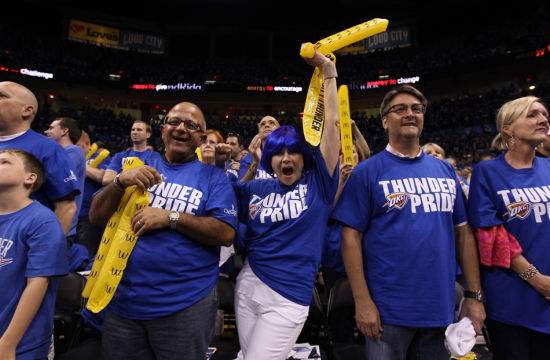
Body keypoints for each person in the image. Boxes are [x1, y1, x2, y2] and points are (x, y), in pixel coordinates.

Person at [332, 85, 485, 360]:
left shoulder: (444, 170)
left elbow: (463, 233)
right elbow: (350, 237)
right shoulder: (367, 172)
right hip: (386, 310)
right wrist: (362, 301)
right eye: (400, 109)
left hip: (439, 307)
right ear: (384, 120)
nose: (410, 114)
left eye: (417, 109)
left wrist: (473, 296)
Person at [89, 101, 238, 360]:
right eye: (174, 122)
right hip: (123, 302)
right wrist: (119, 182)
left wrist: (171, 217)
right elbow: (95, 216)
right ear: (162, 129)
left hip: (184, 305)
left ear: (201, 137)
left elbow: (225, 233)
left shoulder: (214, 177)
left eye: (191, 125)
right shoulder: (133, 162)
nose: (181, 129)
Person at [233, 48, 340, 360]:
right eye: (278, 153)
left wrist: (328, 75)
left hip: (288, 296)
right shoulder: (256, 187)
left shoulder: (318, 184)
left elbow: (331, 125)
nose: (286, 158)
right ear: (271, 159)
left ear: (303, 158)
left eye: (293, 152)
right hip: (248, 286)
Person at [468, 96, 550, 359]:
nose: (543, 119)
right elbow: (491, 235)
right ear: (508, 129)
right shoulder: (487, 172)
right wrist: (537, 280)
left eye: (544, 114)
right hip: (512, 299)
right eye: (532, 114)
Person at [0, 149, 68, 359]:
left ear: (30, 178)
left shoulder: (42, 221)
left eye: (4, 162)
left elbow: (37, 284)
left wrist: (7, 343)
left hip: (21, 343)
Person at [0, 81, 79, 235]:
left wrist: (50, 250)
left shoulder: (48, 149)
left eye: (2, 96)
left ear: (27, 110)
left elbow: (66, 207)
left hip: (18, 246)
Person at [44, 117, 86, 244]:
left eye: (51, 128)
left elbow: (54, 178)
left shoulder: (74, 152)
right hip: (50, 224)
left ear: (64, 131)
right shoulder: (57, 153)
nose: (46, 131)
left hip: (61, 228)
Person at [76, 134, 111, 257]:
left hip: (88, 217)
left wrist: (81, 166)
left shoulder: (102, 156)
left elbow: (103, 177)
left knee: (84, 256)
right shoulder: (68, 156)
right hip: (70, 213)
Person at [102, 120, 159, 185]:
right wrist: (125, 177)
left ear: (148, 135)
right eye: (133, 130)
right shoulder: (119, 155)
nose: (135, 132)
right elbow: (106, 179)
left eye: (139, 130)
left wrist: (120, 176)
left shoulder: (155, 157)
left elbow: (153, 181)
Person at [237, 115, 280, 180]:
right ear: (259, 131)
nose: (266, 125)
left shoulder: (288, 156)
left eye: (271, 123)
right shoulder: (248, 158)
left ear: (279, 130)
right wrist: (255, 162)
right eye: (262, 124)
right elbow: (240, 187)